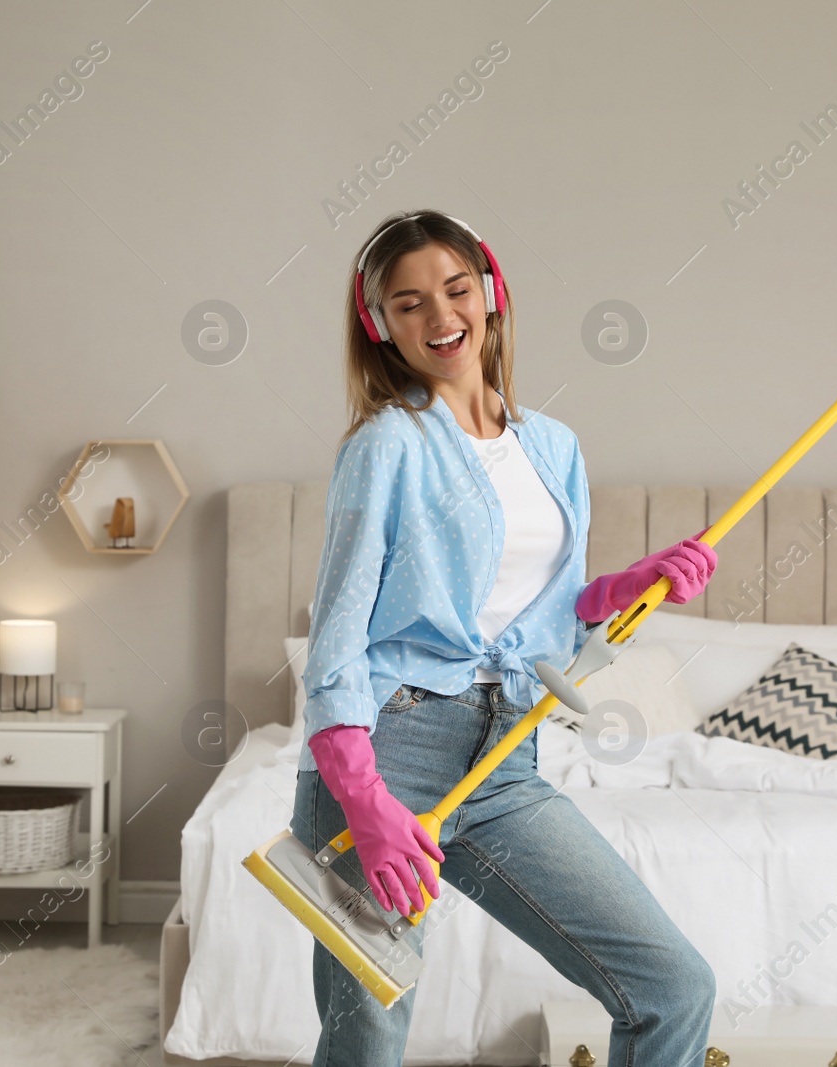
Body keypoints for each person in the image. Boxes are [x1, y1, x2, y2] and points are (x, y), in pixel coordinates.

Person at [293, 209, 719, 1067]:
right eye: (408, 303)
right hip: (382, 756)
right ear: (380, 326)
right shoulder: (385, 447)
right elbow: (337, 636)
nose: (439, 317)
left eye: (455, 290)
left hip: (503, 760)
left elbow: (552, 618)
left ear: (490, 295)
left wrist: (627, 586)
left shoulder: (554, 449)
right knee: (367, 1038)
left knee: (674, 987)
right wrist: (366, 803)